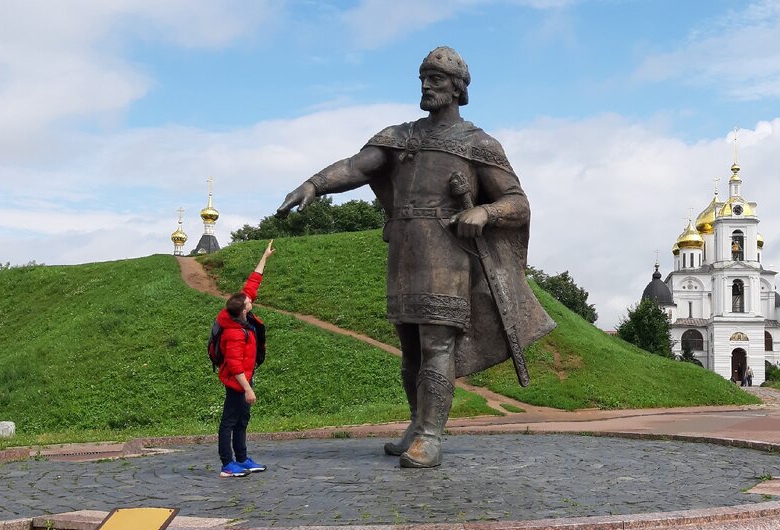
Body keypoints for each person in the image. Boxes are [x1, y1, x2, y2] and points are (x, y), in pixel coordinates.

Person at [276, 47, 554, 468]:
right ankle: (415, 422)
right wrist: (314, 184)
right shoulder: (400, 136)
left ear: (458, 89)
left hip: (448, 254)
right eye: (423, 78)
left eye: (436, 79)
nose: (426, 85)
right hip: (406, 252)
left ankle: (431, 434)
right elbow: (357, 166)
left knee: (437, 342)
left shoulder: (478, 144)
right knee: (409, 348)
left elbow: (518, 203)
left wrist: (485, 210)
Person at [217, 240, 275, 477]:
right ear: (243, 309)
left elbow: (252, 284)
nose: (252, 300)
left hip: (245, 378)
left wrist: (265, 257)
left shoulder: (240, 315)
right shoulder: (233, 332)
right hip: (236, 381)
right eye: (249, 302)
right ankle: (227, 464)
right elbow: (234, 364)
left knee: (242, 419)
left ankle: (242, 459)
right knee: (229, 421)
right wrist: (247, 389)